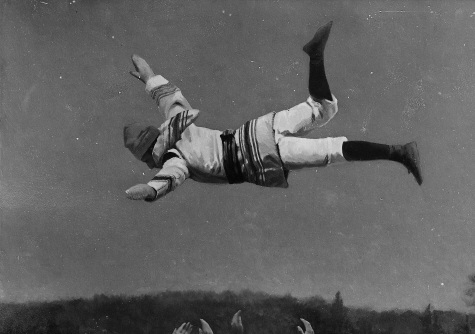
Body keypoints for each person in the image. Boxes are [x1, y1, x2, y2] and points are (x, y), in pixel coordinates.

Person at [123, 21, 422, 203]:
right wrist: (149, 77)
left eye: (148, 159)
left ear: (151, 152)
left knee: (331, 150)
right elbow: (168, 97)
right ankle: (315, 57)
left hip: (262, 153)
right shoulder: (177, 124)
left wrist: (149, 191)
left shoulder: (174, 158)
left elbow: (168, 179)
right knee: (324, 107)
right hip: (259, 129)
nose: (151, 164)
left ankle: (399, 152)